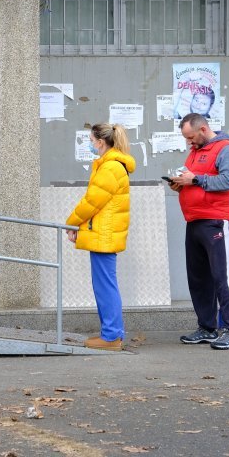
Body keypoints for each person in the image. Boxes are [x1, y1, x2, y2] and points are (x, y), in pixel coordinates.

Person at [168, 113, 229, 350]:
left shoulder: (226, 149)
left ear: (203, 129)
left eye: (190, 137)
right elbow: (194, 181)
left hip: (216, 221)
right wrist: (179, 184)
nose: (189, 143)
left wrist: (196, 180)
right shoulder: (195, 152)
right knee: (199, 278)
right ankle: (207, 327)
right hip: (194, 220)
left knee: (223, 276)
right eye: (186, 139)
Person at [65, 123, 135, 351]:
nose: (90, 143)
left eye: (91, 140)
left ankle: (112, 336)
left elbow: (92, 201)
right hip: (104, 233)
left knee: (105, 286)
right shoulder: (111, 165)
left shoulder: (110, 168)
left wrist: (72, 222)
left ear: (101, 142)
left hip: (104, 235)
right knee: (105, 284)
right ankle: (111, 334)